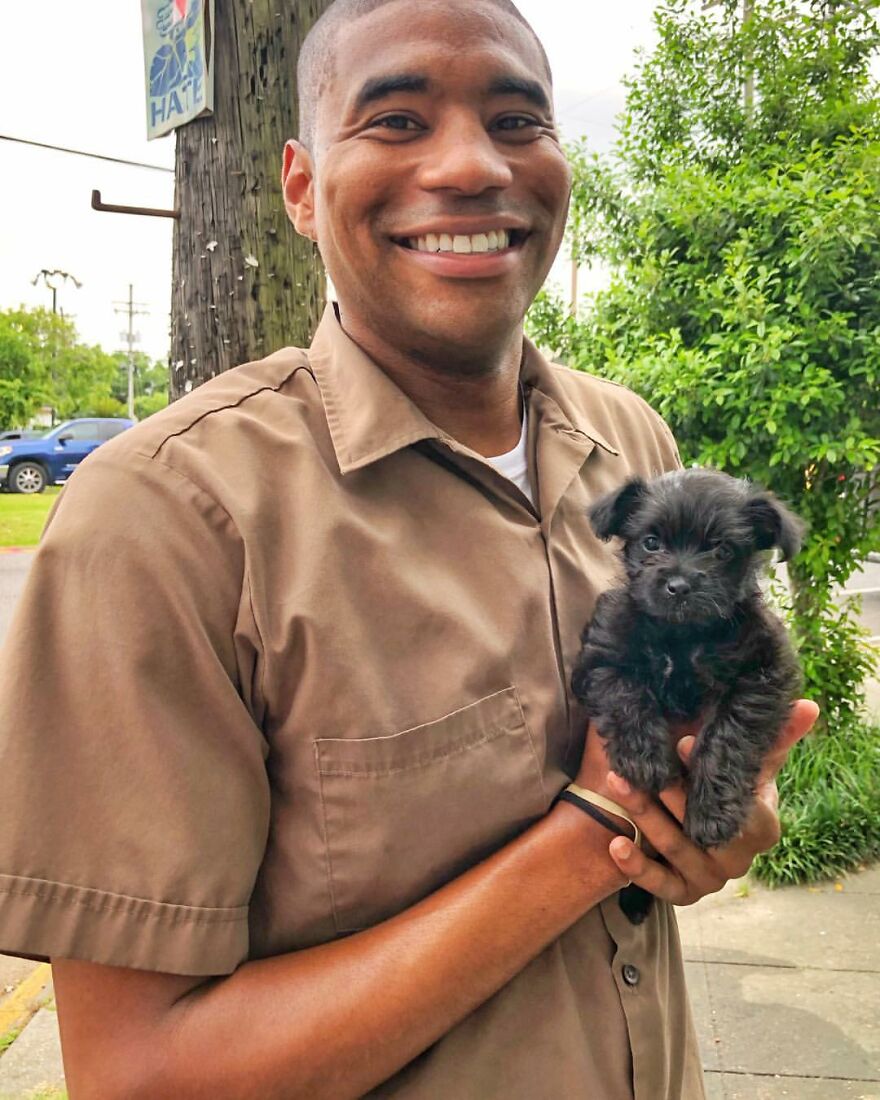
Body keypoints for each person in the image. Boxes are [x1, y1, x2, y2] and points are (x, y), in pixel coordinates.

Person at [0, 1, 817, 1096]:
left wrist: (709, 816)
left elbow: (695, 748)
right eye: (393, 118)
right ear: (299, 183)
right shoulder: (169, 519)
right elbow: (138, 1072)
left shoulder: (629, 443)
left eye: (518, 118)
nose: (473, 163)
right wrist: (589, 839)